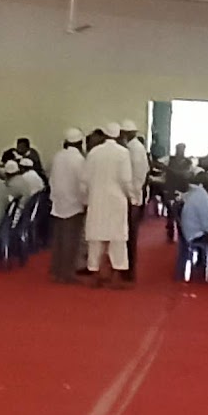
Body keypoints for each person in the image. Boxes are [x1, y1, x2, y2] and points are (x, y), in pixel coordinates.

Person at [83, 122, 134, 288]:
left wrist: (86, 199)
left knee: (95, 238)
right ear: (119, 135)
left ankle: (95, 274)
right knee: (117, 239)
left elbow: (85, 179)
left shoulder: (94, 153)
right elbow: (125, 180)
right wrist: (131, 197)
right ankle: (117, 276)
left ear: (104, 135)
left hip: (96, 199)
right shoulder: (123, 153)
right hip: (116, 200)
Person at [48, 129, 88, 284]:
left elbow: (51, 179)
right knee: (71, 241)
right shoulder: (79, 160)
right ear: (80, 143)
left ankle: (56, 271)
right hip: (73, 204)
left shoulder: (58, 157)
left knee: (59, 240)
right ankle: (67, 274)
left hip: (58, 203)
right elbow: (82, 184)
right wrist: (85, 202)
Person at [120, 118, 149, 283]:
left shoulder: (133, 149)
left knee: (129, 236)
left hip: (132, 198)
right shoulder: (135, 148)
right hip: (134, 196)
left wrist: (131, 196)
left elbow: (135, 176)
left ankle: (128, 270)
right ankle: (126, 268)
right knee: (128, 235)